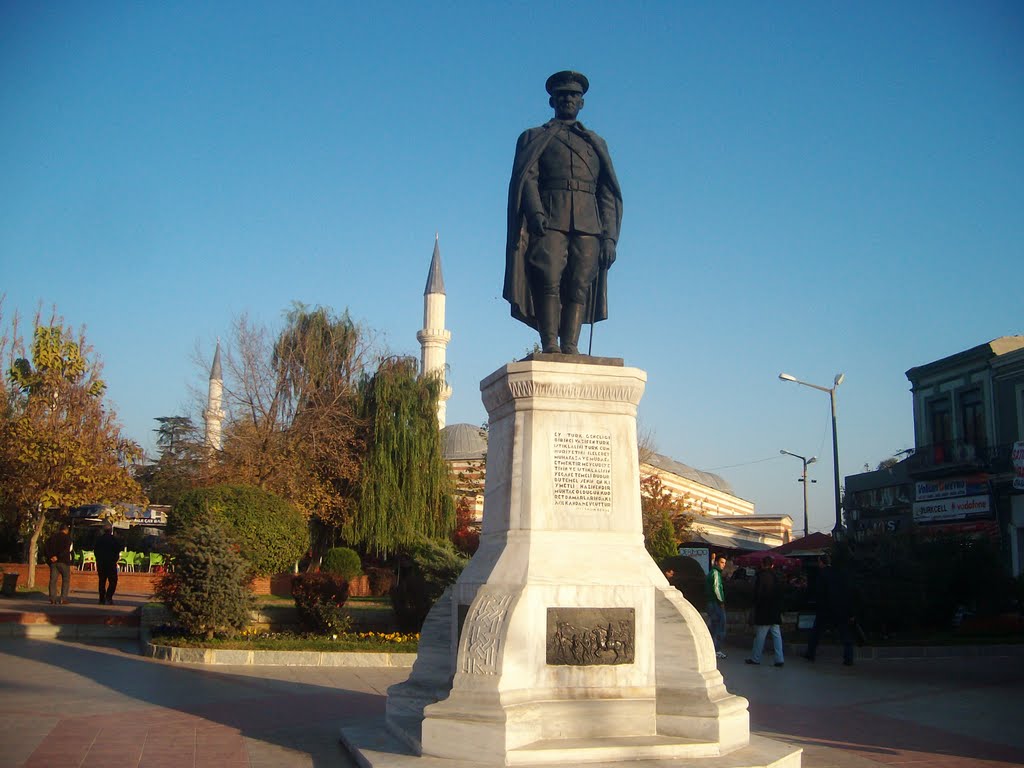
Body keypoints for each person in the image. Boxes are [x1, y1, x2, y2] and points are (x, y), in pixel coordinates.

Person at [504, 70, 623, 355]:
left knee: (580, 282)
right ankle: (550, 344)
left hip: (588, 223)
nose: (568, 99)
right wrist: (535, 213)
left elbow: (607, 192)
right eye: (563, 95)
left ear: (582, 103)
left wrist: (609, 238)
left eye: (574, 95)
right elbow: (527, 178)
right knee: (549, 278)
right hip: (550, 218)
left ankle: (570, 345)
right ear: (552, 101)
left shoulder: (596, 143)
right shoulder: (534, 137)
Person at [803, 553, 855, 666]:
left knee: (816, 633)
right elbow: (847, 591)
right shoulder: (839, 574)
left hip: (825, 609)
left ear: (821, 562)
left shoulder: (821, 574)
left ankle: (810, 653)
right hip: (840, 608)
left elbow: (819, 592)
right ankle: (849, 657)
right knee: (845, 633)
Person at [746, 556, 785, 667]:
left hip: (763, 610)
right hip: (775, 611)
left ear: (762, 564)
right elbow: (781, 593)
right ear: (772, 565)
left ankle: (756, 658)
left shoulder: (760, 576)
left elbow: (756, 594)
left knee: (760, 636)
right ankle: (779, 658)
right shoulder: (777, 576)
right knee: (777, 635)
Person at [44, 522, 74, 605]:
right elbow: (66, 550)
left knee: (53, 580)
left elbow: (46, 548)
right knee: (66, 580)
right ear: (66, 530)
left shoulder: (52, 538)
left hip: (53, 562)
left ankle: (52, 598)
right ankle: (63, 598)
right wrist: (58, 556)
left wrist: (51, 557)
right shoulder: (68, 538)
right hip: (64, 562)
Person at [93, 522, 123, 605]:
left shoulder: (99, 539)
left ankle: (102, 598)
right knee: (113, 581)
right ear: (111, 530)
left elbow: (95, 550)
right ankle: (109, 596)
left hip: (101, 563)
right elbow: (119, 548)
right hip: (111, 563)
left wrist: (98, 559)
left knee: (102, 581)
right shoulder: (114, 540)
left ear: (103, 530)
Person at [704, 554, 728, 658]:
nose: (723, 565)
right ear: (717, 562)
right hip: (715, 603)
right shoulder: (716, 573)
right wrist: (721, 601)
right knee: (720, 626)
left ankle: (711, 649)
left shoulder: (711, 572)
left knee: (713, 626)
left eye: (724, 563)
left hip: (710, 602)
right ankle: (717, 649)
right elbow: (716, 588)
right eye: (722, 562)